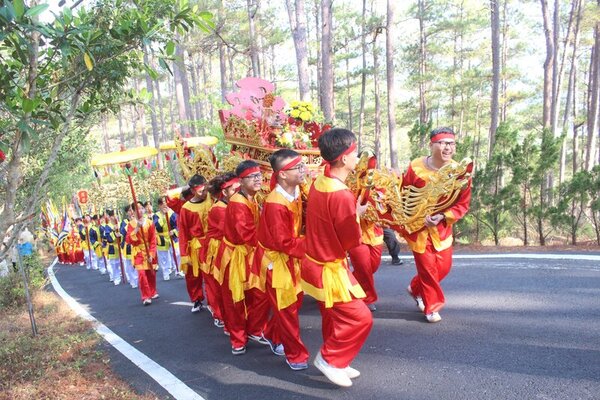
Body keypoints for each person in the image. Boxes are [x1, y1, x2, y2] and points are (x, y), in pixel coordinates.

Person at [301, 128, 372, 387]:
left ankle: (338, 360)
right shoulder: (341, 194)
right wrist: (358, 215)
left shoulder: (321, 182)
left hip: (316, 263)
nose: (358, 157)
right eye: (355, 152)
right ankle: (330, 359)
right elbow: (351, 239)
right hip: (329, 268)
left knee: (333, 317)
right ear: (343, 158)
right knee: (360, 317)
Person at [400, 127, 472, 323]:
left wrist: (443, 216)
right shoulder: (415, 167)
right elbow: (404, 193)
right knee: (427, 269)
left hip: (441, 228)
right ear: (431, 145)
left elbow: (463, 203)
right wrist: (409, 219)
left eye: (451, 143)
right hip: (418, 228)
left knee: (444, 267)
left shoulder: (460, 173)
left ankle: (415, 288)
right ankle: (431, 307)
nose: (447, 147)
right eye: (442, 143)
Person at [253, 149, 310, 370]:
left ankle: (270, 333)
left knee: (293, 302)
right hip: (277, 262)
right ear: (283, 174)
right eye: (297, 167)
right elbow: (282, 242)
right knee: (287, 308)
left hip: (290, 257)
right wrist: (315, 245)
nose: (303, 169)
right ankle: (295, 354)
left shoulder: (295, 192)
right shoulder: (276, 203)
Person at [219, 160, 268, 355]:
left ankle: (254, 329)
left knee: (259, 294)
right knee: (235, 299)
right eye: (252, 177)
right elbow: (246, 235)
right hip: (235, 256)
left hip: (250, 252)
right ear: (241, 180)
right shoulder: (238, 203)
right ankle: (238, 339)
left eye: (259, 175)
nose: (258, 180)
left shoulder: (252, 198)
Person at [203, 172, 240, 329]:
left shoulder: (231, 204)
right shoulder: (219, 209)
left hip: (230, 248)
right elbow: (234, 232)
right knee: (225, 289)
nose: (238, 192)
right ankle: (227, 321)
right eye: (234, 190)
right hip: (221, 252)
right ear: (224, 192)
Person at [178, 174, 212, 313]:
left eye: (205, 190)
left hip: (211, 243)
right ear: (192, 191)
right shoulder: (186, 208)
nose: (204, 194)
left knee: (211, 276)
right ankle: (197, 299)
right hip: (195, 246)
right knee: (193, 276)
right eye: (200, 191)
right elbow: (183, 233)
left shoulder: (212, 200)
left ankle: (212, 301)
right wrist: (185, 254)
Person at [126, 201, 159, 305]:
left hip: (149, 250)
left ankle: (152, 291)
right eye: (136, 209)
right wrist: (137, 228)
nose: (139, 211)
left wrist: (152, 253)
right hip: (138, 252)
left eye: (141, 208)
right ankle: (145, 296)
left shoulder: (150, 222)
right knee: (141, 274)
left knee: (151, 273)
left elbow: (153, 240)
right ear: (133, 212)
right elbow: (129, 240)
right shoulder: (131, 224)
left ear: (143, 209)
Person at [154, 197, 175, 281]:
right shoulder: (156, 215)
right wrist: (163, 216)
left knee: (176, 253)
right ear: (159, 205)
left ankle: (177, 269)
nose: (165, 204)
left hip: (172, 236)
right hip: (162, 237)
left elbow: (176, 224)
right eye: (162, 203)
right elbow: (157, 226)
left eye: (166, 202)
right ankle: (166, 272)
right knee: (163, 256)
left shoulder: (172, 213)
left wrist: (174, 231)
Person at [119, 205, 138, 289]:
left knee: (138, 263)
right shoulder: (124, 222)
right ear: (127, 213)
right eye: (129, 211)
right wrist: (131, 223)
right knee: (129, 265)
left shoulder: (138, 220)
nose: (131, 212)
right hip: (127, 246)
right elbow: (123, 232)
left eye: (132, 210)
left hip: (137, 245)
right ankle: (133, 280)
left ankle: (138, 279)